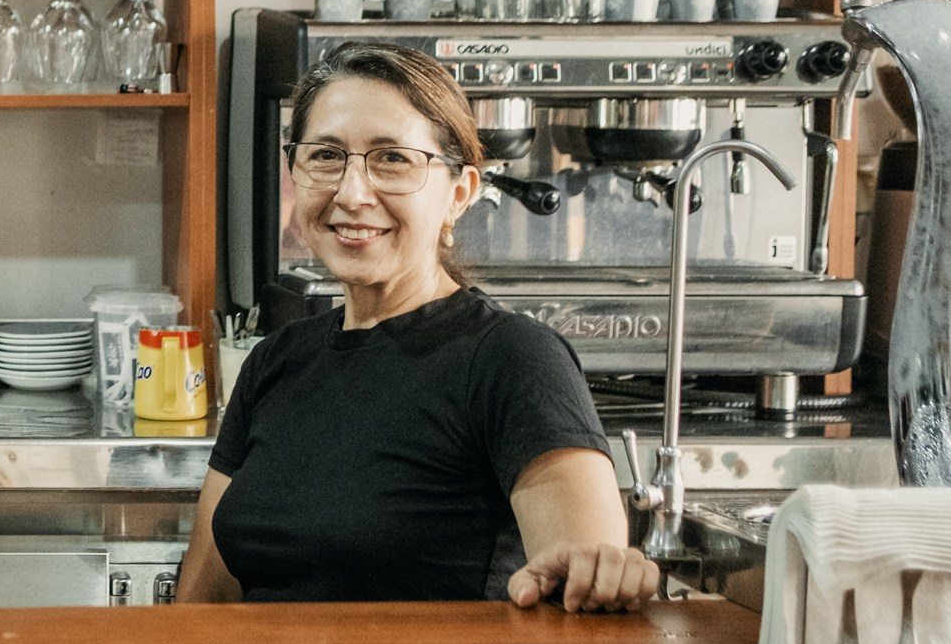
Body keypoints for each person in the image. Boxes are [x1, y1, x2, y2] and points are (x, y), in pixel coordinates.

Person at [181, 42, 657, 611]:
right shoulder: (276, 361)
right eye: (326, 156)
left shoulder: (513, 359)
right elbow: (204, 603)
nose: (352, 193)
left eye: (392, 159)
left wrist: (602, 570)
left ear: (459, 193)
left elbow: (582, 593)